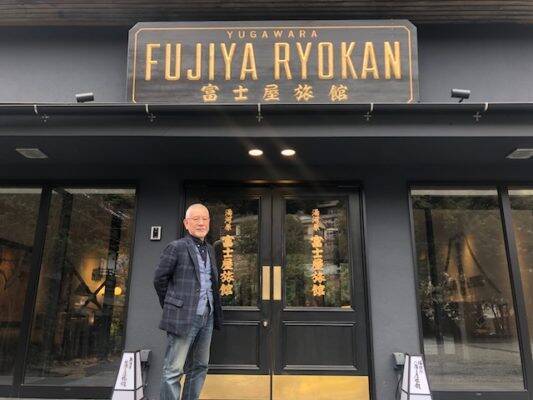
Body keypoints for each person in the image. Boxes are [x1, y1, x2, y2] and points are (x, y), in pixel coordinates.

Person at [154, 203, 224, 400]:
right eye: (196, 219)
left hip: (207, 317)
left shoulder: (210, 249)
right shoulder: (176, 247)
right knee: (173, 370)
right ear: (186, 223)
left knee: (200, 366)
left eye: (205, 219)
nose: (201, 223)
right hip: (183, 317)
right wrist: (174, 306)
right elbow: (159, 280)